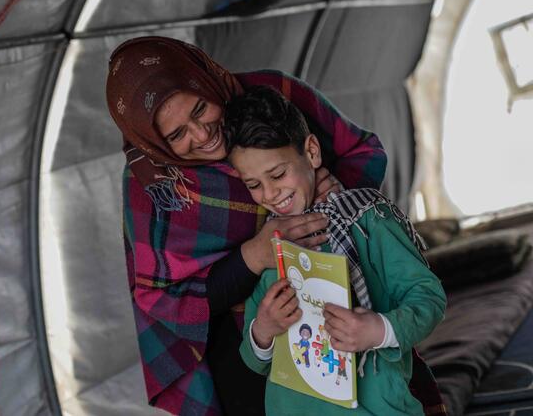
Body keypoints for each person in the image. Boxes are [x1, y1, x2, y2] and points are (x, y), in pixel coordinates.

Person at [105, 36, 444, 416]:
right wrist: (253, 256)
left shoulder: (275, 96)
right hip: (244, 340)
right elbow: (162, 297)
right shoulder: (151, 186)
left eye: (200, 109)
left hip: (345, 306)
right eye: (177, 134)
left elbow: (360, 151)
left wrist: (332, 196)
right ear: (155, 142)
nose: (201, 134)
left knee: (373, 391)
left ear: (205, 80)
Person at [222, 85, 446, 415]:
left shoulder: (368, 219)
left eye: (278, 174)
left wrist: (378, 330)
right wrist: (263, 330)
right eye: (254, 185)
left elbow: (429, 298)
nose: (269, 193)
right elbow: (254, 360)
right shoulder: (274, 244)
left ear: (311, 152)